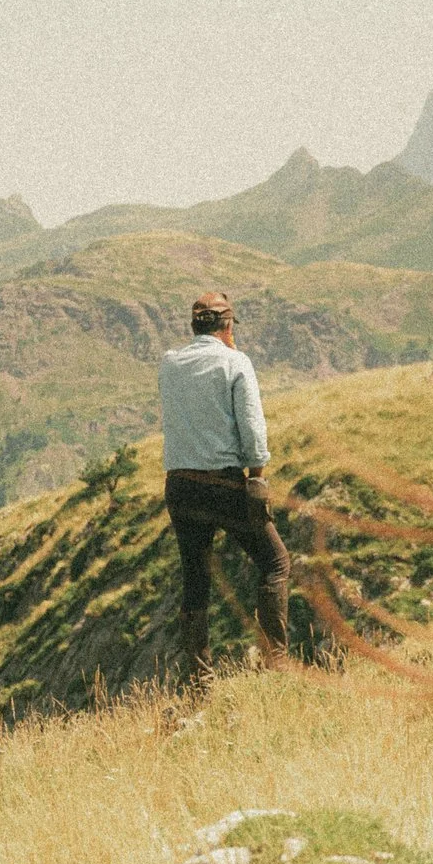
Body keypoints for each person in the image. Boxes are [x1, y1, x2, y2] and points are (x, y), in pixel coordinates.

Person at [158, 289, 291, 678]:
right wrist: (257, 478)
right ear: (228, 325)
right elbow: (252, 426)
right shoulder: (236, 362)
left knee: (195, 579)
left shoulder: (169, 363)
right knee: (274, 562)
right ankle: (276, 664)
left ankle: (198, 678)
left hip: (179, 486)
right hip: (223, 484)